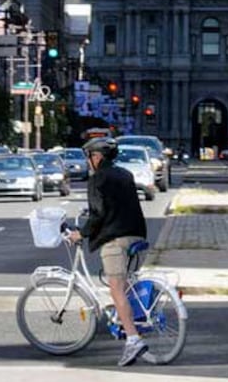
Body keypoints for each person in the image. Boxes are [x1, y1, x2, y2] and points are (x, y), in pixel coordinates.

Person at [67, 137, 148, 367]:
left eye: (90, 157)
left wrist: (80, 234)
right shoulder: (125, 174)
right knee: (126, 284)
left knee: (116, 290)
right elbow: (120, 203)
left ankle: (133, 339)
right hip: (137, 234)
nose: (89, 162)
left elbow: (98, 214)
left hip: (116, 239)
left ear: (98, 157)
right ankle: (132, 324)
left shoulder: (97, 179)